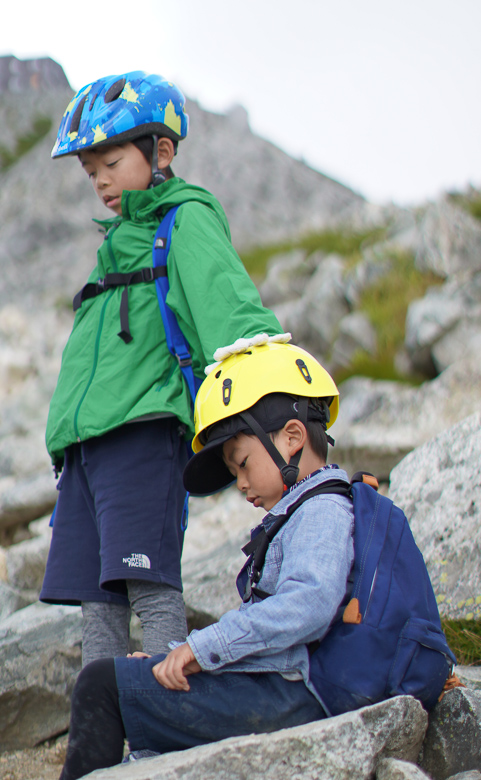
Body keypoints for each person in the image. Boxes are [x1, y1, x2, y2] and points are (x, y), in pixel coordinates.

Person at [40, 71, 282, 667]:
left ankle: (163, 736)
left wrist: (275, 414)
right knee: (98, 606)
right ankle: (97, 752)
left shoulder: (185, 219)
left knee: (150, 591)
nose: (99, 180)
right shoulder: (116, 242)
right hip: (86, 446)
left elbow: (232, 313)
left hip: (146, 432)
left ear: (161, 151)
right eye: (89, 169)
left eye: (112, 161)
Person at [57, 340, 355, 780]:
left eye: (243, 463)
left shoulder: (322, 510)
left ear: (292, 437)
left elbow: (308, 605)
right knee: (131, 681)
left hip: (296, 698)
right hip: (286, 689)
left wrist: (200, 648)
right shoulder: (302, 512)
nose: (240, 483)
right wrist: (181, 655)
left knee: (102, 685)